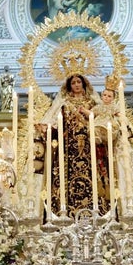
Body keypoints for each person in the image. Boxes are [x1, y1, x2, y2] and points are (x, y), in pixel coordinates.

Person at [40, 74, 107, 215]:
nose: (76, 85)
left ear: (84, 84)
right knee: (66, 175)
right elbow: (54, 121)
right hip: (68, 147)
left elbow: (102, 119)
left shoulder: (92, 102)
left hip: (89, 145)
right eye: (73, 83)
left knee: (93, 174)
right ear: (69, 86)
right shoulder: (64, 103)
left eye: (79, 82)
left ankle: (95, 210)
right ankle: (64, 211)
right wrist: (46, 127)